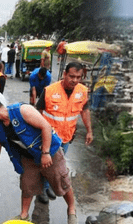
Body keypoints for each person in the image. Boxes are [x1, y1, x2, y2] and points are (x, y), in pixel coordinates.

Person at [0, 94, 78, 224]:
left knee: (61, 182)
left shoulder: (22, 110)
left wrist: (46, 153)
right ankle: (24, 215)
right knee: (27, 186)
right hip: (29, 158)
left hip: (49, 153)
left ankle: (71, 209)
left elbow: (46, 127)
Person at [36, 61, 92, 203]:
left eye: (78, 77)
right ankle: (41, 190)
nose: (74, 80)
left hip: (66, 138)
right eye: (71, 76)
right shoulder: (49, 91)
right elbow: (38, 112)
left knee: (56, 166)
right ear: (64, 74)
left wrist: (89, 131)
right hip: (49, 138)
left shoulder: (82, 92)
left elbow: (84, 111)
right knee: (45, 164)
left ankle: (48, 187)